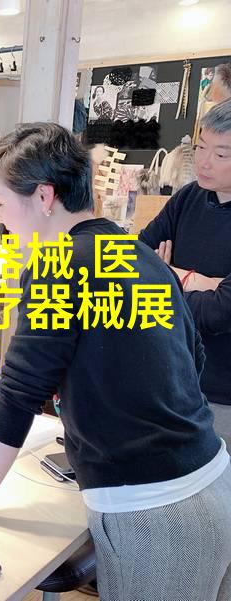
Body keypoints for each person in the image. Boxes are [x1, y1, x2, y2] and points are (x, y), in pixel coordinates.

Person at [0, 122, 231, 601]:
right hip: (213, 478)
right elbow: (191, 357)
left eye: (0, 203)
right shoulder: (139, 254)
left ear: (43, 196)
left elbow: (19, 393)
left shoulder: (58, 266)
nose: (0, 220)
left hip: (156, 510)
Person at [140, 99, 231, 442]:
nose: (203, 162)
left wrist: (165, 275)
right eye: (201, 147)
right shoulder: (188, 197)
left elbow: (219, 313)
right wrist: (196, 281)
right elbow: (132, 263)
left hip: (224, 394)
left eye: (221, 154)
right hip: (173, 377)